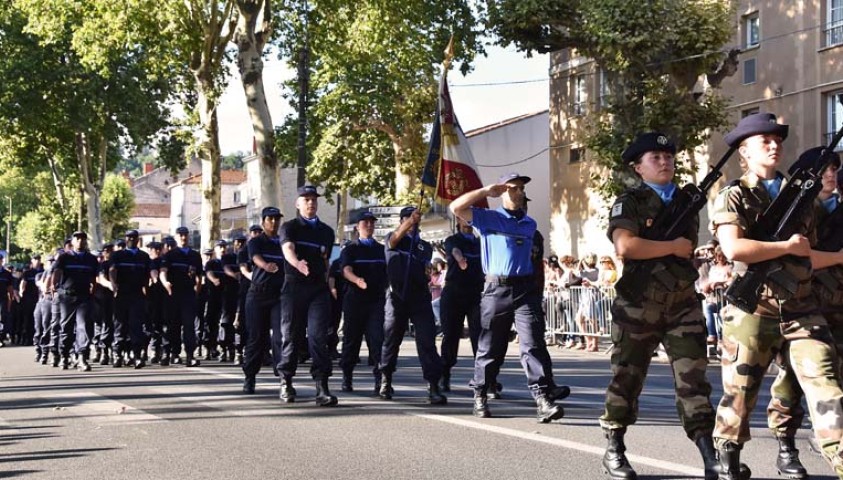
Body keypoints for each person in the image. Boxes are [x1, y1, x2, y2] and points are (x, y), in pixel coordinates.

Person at [711, 113, 843, 479]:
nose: (774, 145)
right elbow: (734, 249)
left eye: (778, 140)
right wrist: (785, 246)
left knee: (826, 384)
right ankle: (729, 455)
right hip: (754, 308)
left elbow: (809, 253)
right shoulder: (734, 195)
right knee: (741, 392)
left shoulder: (801, 195)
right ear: (744, 151)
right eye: (764, 141)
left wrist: (828, 255)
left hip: (801, 307)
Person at [598, 132, 721, 479]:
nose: (664, 161)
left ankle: (709, 454)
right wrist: (671, 247)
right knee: (627, 378)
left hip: (682, 304)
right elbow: (626, 246)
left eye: (668, 156)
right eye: (655, 157)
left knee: (694, 381)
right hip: (639, 305)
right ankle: (614, 446)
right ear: (638, 168)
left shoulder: (686, 200)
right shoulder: (629, 202)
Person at [450, 172, 567, 423]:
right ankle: (480, 393)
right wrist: (485, 191)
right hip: (496, 289)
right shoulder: (488, 218)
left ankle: (542, 398)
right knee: (490, 346)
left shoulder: (529, 224)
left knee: (533, 343)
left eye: (521, 188)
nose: (519, 192)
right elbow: (455, 207)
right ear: (502, 191)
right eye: (513, 188)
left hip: (524, 289)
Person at [765, 146, 843, 479]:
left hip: (838, 305)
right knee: (792, 380)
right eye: (823, 170)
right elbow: (801, 256)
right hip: (804, 306)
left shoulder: (839, 208)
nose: (830, 174)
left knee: (832, 382)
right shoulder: (796, 211)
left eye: (834, 169)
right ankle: (786, 444)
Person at [378, 206, 446, 404]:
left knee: (427, 341)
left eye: (415, 218)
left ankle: (433, 385)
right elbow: (393, 240)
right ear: (402, 221)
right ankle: (385, 379)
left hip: (419, 297)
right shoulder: (393, 238)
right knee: (391, 340)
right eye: (408, 218)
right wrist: (409, 222)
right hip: (397, 296)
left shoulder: (424, 246)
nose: (414, 221)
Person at [278, 186, 337, 407]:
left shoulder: (326, 231)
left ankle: (322, 387)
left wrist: (329, 284)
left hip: (317, 289)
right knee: (291, 336)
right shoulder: (290, 227)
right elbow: (288, 249)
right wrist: (297, 264)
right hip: (294, 287)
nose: (311, 203)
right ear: (298, 204)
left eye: (313, 199)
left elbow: (326, 261)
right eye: (306, 199)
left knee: (318, 337)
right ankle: (286, 381)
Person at [339, 211, 387, 394]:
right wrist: (357, 280)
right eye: (365, 222)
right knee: (352, 340)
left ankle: (380, 379)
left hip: (376, 300)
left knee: (377, 340)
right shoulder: (350, 249)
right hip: (355, 300)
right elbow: (346, 270)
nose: (369, 225)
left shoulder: (381, 249)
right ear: (357, 227)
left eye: (371, 222)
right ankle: (347, 376)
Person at [242, 208, 285, 395]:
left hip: (279, 296)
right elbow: (255, 258)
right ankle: (250, 377)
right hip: (258, 294)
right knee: (256, 338)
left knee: (281, 337)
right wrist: (266, 265)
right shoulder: (256, 241)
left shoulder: (284, 242)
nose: (274, 222)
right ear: (263, 221)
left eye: (277, 219)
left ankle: (284, 377)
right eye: (270, 219)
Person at [438, 216, 484, 392]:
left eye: (471, 217)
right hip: (454, 292)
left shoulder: (480, 242)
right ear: (458, 220)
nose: (469, 221)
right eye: (465, 217)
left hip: (475, 293)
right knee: (450, 335)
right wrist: (460, 259)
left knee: (480, 337)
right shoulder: (452, 240)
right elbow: (455, 250)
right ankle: (444, 374)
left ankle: (485, 378)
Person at [51, 231, 99, 371]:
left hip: (84, 297)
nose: (80, 241)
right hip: (67, 297)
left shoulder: (91, 259)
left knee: (84, 326)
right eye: (77, 239)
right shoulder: (64, 257)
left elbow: (94, 278)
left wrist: (93, 291)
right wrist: (54, 286)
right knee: (66, 327)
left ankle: (82, 357)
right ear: (72, 241)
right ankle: (65, 355)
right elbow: (57, 272)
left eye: (83, 239)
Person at [159, 226, 203, 367]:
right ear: (176, 237)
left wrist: (196, 291)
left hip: (188, 294)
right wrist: (165, 283)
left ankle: (190, 355)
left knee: (189, 325)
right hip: (173, 294)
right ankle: (170, 353)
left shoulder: (195, 256)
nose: (183, 237)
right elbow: (163, 272)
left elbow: (199, 276)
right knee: (172, 325)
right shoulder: (170, 255)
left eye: (185, 235)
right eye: (180, 235)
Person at [109, 230, 152, 368]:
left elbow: (147, 276)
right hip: (121, 294)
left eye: (134, 238)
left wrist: (146, 291)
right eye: (129, 237)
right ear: (125, 239)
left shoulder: (143, 256)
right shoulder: (118, 255)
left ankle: (136, 355)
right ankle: (118, 354)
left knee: (136, 326)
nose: (131, 240)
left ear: (138, 239)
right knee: (120, 325)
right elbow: (112, 271)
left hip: (137, 295)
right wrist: (113, 285)